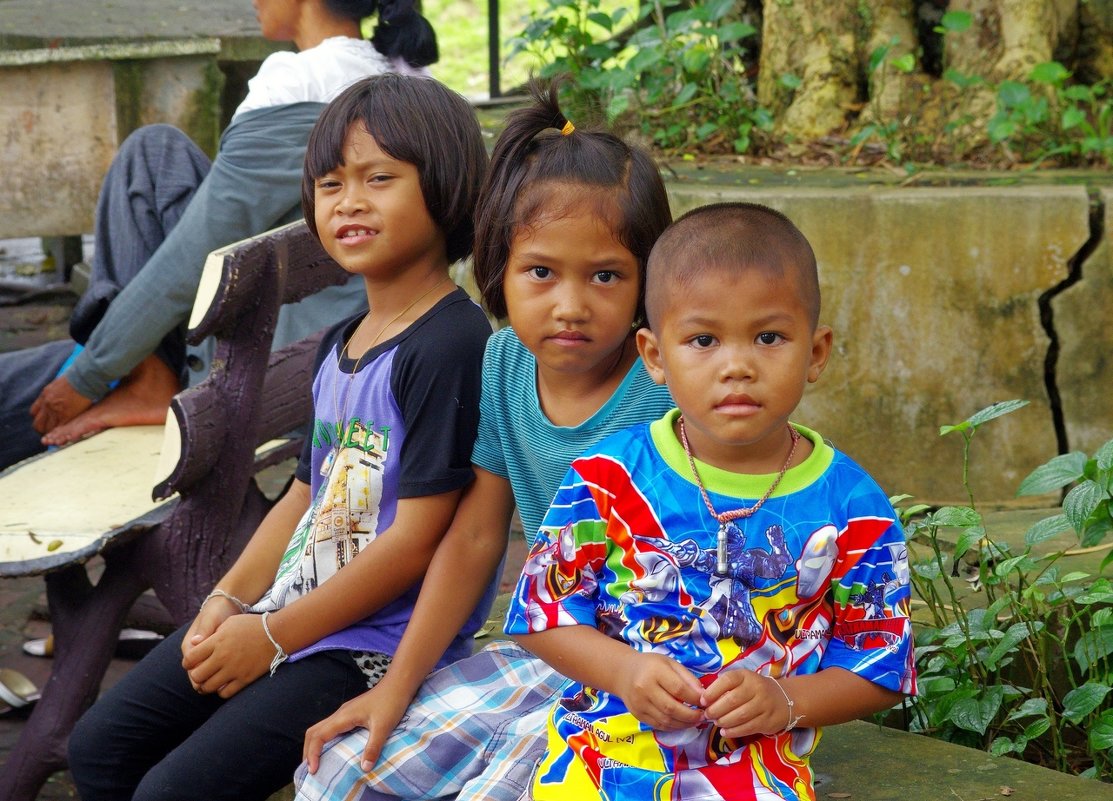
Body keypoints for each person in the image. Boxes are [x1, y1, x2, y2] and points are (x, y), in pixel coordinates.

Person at [66, 73, 492, 801]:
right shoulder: (340, 342)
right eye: (329, 184)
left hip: (369, 645)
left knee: (173, 790)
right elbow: (303, 494)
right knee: (99, 747)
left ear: (445, 186)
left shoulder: (450, 340)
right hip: (286, 613)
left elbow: (417, 536)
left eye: (377, 178)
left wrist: (272, 638)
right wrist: (228, 598)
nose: (348, 201)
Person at [294, 80, 675, 801]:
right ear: (497, 265)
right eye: (540, 272)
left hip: (658, 673)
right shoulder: (502, 364)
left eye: (604, 275)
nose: (570, 305)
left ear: (646, 280)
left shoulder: (663, 391)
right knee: (340, 772)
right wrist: (396, 690)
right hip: (547, 654)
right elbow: (472, 541)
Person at [503, 202, 919, 801]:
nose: (737, 367)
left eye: (769, 337)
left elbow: (882, 667)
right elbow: (542, 616)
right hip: (597, 767)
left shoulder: (853, 507)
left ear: (817, 353)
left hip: (755, 780)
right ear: (654, 356)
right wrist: (623, 670)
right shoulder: (610, 480)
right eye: (703, 339)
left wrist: (786, 700)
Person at [0, 0, 438, 470]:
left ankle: (147, 378)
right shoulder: (410, 84)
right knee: (154, 153)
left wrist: (88, 375)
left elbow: (195, 256)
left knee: (21, 392)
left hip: (265, 371)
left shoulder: (299, 82)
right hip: (333, 342)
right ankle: (147, 371)